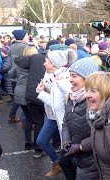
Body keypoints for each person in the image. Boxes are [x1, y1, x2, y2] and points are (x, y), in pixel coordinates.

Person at [36, 49, 75, 177]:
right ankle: (56, 162)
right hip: (54, 118)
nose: (44, 64)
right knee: (42, 141)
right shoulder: (54, 76)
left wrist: (60, 85)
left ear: (54, 63)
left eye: (46, 61)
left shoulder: (64, 78)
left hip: (66, 124)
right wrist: (42, 91)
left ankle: (60, 165)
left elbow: (71, 99)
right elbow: (55, 103)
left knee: (71, 162)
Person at [60, 58, 100, 180]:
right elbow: (65, 121)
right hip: (75, 152)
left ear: (87, 79)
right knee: (64, 163)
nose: (70, 79)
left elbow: (100, 133)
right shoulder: (71, 96)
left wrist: (81, 146)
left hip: (91, 157)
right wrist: (66, 141)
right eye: (70, 76)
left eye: (74, 76)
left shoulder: (94, 102)